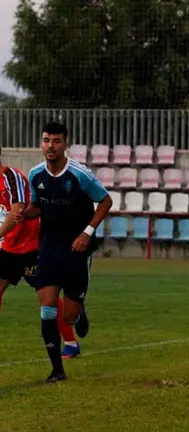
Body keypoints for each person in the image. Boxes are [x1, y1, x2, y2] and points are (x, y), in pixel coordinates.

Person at [19, 121, 112, 383]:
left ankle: (79, 311)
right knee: (47, 307)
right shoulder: (36, 174)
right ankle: (56, 369)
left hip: (76, 250)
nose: (50, 146)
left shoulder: (79, 175)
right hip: (48, 248)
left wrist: (87, 233)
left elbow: (105, 200)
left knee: (68, 317)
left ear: (66, 144)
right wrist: (25, 214)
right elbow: (37, 207)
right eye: (46, 140)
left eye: (56, 141)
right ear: (41, 143)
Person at [0, 154, 82, 359]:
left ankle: (71, 341)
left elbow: (16, 213)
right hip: (8, 248)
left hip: (31, 248)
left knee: (47, 300)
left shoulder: (11, 177)